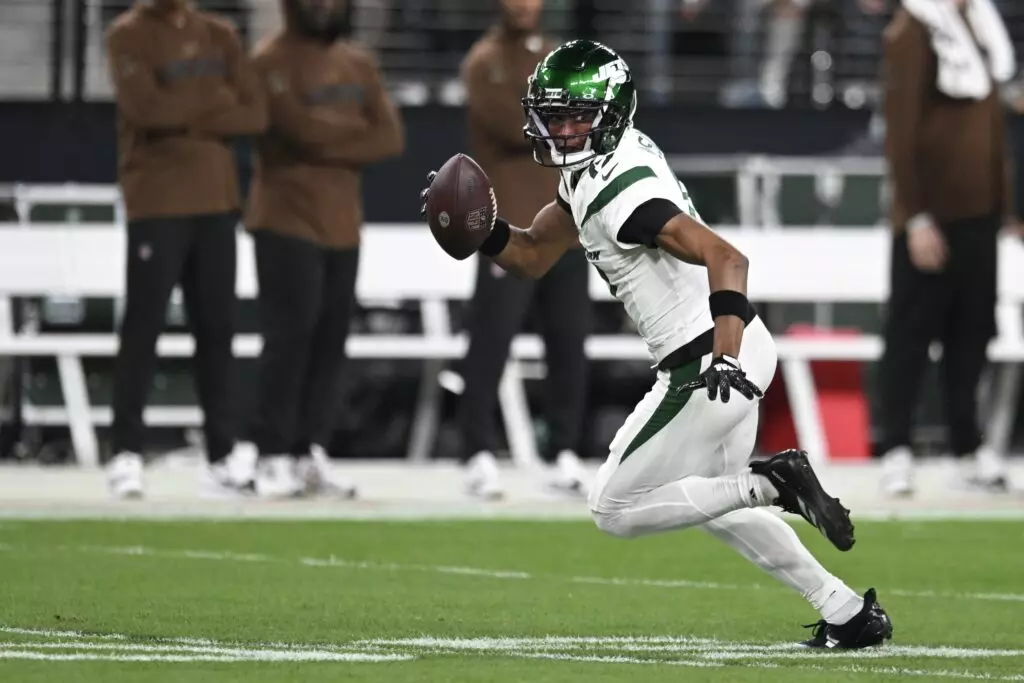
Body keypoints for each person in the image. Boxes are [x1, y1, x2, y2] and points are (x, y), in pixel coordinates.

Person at [420, 40, 893, 648]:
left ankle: (773, 483)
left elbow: (728, 256)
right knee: (714, 507)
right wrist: (482, 233)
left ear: (611, 112)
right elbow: (535, 253)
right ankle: (848, 612)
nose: (562, 129)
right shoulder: (594, 168)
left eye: (577, 116)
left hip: (709, 358)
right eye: (554, 115)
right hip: (733, 349)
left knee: (613, 508)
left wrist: (722, 356)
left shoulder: (624, 193)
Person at [104, 0, 267, 499]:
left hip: (217, 202)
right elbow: (146, 109)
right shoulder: (126, 35)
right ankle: (126, 453)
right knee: (144, 325)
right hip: (157, 201)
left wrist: (186, 108)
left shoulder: (220, 33)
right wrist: (215, 104)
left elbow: (255, 112)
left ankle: (221, 454)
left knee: (217, 329)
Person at [245, 0, 404, 498]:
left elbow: (389, 138)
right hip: (285, 221)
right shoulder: (267, 62)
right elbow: (294, 129)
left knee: (330, 344)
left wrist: (321, 138)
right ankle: (270, 454)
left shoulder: (358, 63)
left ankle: (309, 452)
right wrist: (345, 134)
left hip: (342, 227)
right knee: (289, 339)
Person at [450, 0, 591, 500]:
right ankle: (477, 453)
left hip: (564, 222)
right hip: (506, 226)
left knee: (569, 342)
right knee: (490, 341)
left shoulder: (557, 56)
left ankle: (566, 453)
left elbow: (586, 129)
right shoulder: (483, 61)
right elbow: (522, 129)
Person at [877, 0, 1016, 497]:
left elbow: (993, 128)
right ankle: (895, 448)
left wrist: (1006, 206)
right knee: (910, 336)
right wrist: (914, 217)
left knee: (972, 334)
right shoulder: (915, 27)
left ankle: (967, 446)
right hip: (929, 219)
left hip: (979, 216)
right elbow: (900, 130)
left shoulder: (979, 22)